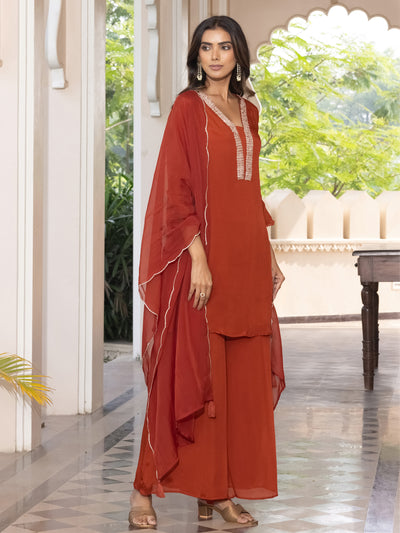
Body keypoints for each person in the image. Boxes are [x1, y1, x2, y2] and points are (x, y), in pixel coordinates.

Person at [129, 15, 285, 530]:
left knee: (236, 382)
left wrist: (269, 254)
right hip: (206, 261)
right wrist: (197, 257)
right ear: (196, 56)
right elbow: (175, 189)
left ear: (238, 54)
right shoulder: (187, 108)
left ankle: (215, 491)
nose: (215, 56)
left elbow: (250, 190)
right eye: (206, 47)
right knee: (191, 376)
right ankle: (142, 490)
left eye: (224, 47)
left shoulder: (249, 110)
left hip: (247, 261)